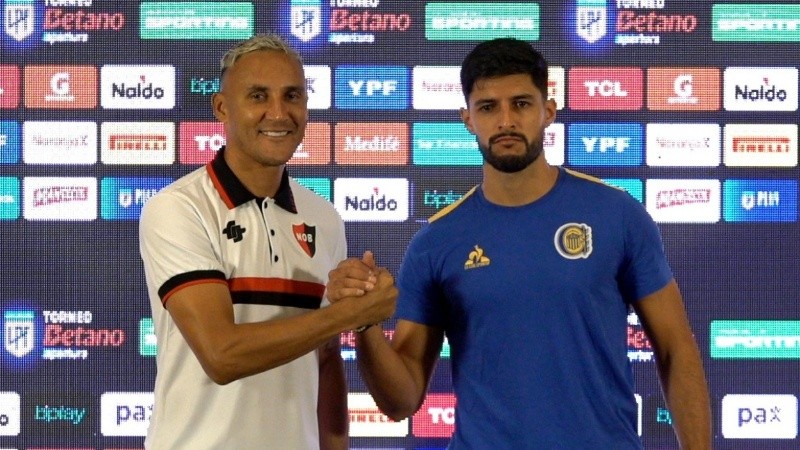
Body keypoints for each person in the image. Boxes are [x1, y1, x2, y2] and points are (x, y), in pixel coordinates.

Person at [332, 38, 712, 448]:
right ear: (467, 118)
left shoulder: (617, 214)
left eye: (521, 103)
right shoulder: (435, 242)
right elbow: (401, 401)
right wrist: (366, 326)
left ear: (548, 110)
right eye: (488, 107)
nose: (506, 121)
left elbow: (676, 349)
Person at [138, 33, 396, 449]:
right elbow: (222, 355)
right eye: (258, 96)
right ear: (222, 108)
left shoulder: (324, 218)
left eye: (292, 95)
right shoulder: (178, 208)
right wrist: (351, 315)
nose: (278, 113)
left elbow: (326, 361)